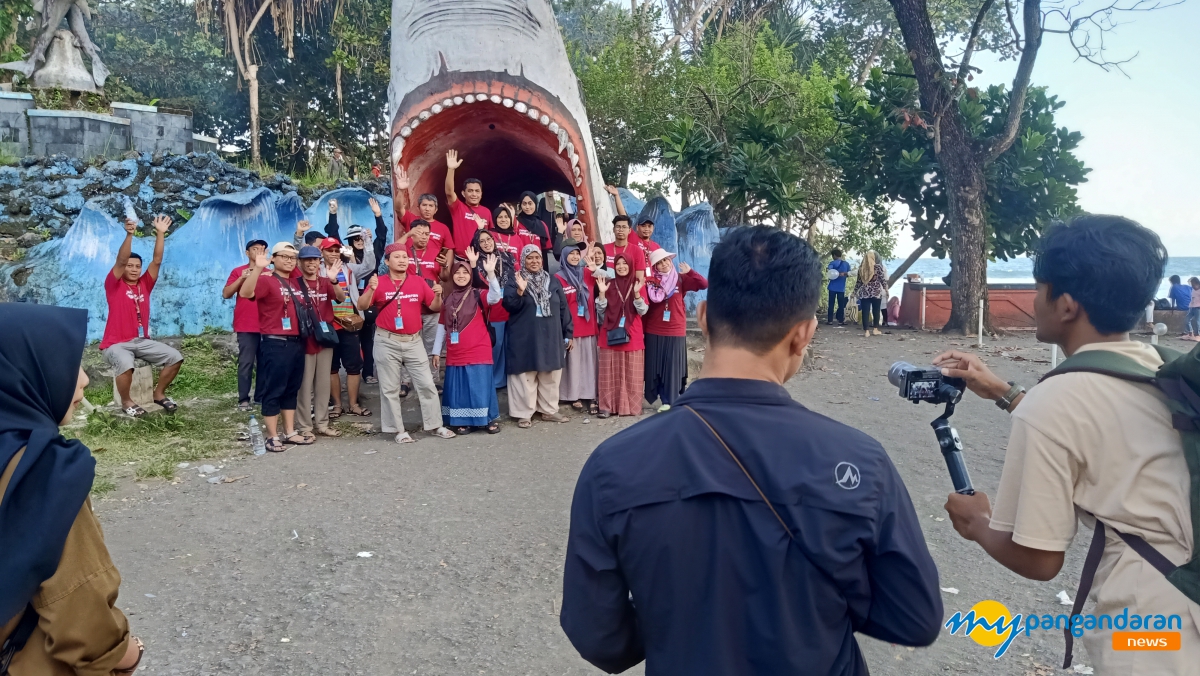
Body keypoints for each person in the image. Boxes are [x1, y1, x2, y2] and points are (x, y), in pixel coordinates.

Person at [560, 225, 943, 675]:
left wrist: (673, 622)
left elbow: (598, 636)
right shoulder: (859, 462)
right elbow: (916, 618)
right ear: (804, 334)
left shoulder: (614, 465)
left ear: (703, 318)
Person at [937, 215, 1200, 674]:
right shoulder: (1162, 366)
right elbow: (1105, 426)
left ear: (1065, 306)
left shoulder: (1055, 402)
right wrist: (1005, 392)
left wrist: (978, 522)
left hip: (1149, 626)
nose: (1036, 300)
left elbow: (1041, 560)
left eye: (1040, 288)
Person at [1, 304, 147, 675]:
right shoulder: (43, 469)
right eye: (67, 363)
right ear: (25, 372)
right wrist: (122, 653)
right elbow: (78, 604)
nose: (82, 380)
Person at [358, 243, 456, 442]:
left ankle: (435, 425)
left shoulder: (418, 282)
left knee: (427, 383)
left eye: (405, 256)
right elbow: (362, 305)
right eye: (397, 257)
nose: (402, 260)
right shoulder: (379, 281)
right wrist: (371, 290)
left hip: (414, 341)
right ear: (387, 261)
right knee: (389, 388)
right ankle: (398, 430)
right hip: (386, 340)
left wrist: (438, 294)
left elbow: (434, 307)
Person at [100, 214, 184, 417]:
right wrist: (130, 234)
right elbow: (120, 261)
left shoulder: (145, 284)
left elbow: (157, 260)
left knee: (175, 357)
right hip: (116, 343)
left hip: (141, 341)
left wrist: (160, 234)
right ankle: (127, 402)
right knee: (126, 364)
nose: (134, 269)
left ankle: (159, 394)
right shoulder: (114, 285)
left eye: (137, 266)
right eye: (130, 266)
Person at [239, 242, 309, 452]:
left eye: (292, 257)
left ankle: (290, 432)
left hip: (297, 342)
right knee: (274, 389)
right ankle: (271, 435)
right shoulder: (266, 280)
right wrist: (259, 267)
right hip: (275, 342)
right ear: (274, 258)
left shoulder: (296, 283)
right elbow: (245, 292)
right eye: (284, 256)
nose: (289, 260)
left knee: (291, 389)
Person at [503, 244, 573, 428]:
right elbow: (509, 305)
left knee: (550, 374)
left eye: (537, 258)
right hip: (524, 336)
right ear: (523, 260)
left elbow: (563, 308)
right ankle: (524, 413)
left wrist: (569, 332)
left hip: (551, 334)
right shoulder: (515, 279)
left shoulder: (552, 280)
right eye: (529, 258)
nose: (534, 261)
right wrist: (520, 291)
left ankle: (549, 410)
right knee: (525, 374)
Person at [433, 258, 503, 434]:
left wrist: (491, 274)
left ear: (470, 275)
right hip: (455, 351)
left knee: (480, 385)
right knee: (460, 388)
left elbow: (495, 296)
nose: (461, 275)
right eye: (457, 272)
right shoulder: (447, 299)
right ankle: (463, 421)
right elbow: (442, 326)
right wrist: (435, 352)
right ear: (452, 276)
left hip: (479, 349)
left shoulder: (478, 294)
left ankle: (486, 420)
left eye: (465, 272)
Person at [313, 235, 374, 420]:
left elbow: (369, 266)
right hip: (328, 325)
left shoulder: (349, 269)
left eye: (335, 250)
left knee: (354, 366)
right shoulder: (316, 270)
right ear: (321, 252)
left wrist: (368, 242)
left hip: (349, 324)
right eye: (328, 250)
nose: (332, 254)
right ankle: (337, 405)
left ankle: (353, 404)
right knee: (331, 367)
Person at [644, 249, 708, 412]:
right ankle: (664, 399)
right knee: (656, 367)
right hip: (654, 329)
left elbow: (703, 284)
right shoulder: (650, 282)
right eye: (660, 262)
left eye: (666, 260)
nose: (664, 264)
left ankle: (672, 399)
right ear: (655, 266)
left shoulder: (680, 279)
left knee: (672, 367)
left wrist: (690, 272)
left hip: (675, 329)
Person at [294, 245, 346, 441]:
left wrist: (334, 280)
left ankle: (322, 423)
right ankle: (305, 426)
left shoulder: (326, 282)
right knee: (305, 385)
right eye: (307, 260)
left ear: (319, 262)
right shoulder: (294, 283)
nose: (311, 263)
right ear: (300, 262)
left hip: (324, 338)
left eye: (315, 260)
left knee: (323, 383)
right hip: (304, 338)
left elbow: (341, 298)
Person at [594, 254, 649, 418]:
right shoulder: (608, 284)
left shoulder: (638, 284)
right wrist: (602, 294)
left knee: (632, 371)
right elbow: (601, 311)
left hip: (632, 331)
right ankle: (606, 406)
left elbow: (643, 310)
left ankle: (631, 407)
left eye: (625, 263)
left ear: (631, 265)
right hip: (610, 331)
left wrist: (637, 294)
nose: (621, 266)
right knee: (608, 371)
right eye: (618, 264)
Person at [223, 238, 268, 411]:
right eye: (255, 249)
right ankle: (243, 399)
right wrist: (241, 278)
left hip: (266, 324)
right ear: (247, 252)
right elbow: (226, 294)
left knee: (265, 362)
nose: (259, 252)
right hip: (246, 325)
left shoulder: (270, 272)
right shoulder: (238, 271)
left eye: (262, 249)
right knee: (246, 363)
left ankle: (260, 397)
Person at [557, 239, 600, 415]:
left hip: (589, 326)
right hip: (572, 327)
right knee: (573, 364)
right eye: (571, 254)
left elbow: (609, 279)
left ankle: (589, 394)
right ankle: (573, 395)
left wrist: (595, 268)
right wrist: (565, 331)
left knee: (589, 363)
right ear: (565, 256)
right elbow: (559, 306)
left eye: (577, 254)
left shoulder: (588, 273)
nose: (575, 257)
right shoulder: (558, 277)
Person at [469, 228, 516, 389]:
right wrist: (474, 264)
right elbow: (476, 284)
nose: (486, 243)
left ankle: (507, 379)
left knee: (510, 345)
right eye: (482, 241)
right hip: (491, 309)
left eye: (488, 239)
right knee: (496, 346)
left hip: (510, 306)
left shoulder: (507, 256)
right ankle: (495, 382)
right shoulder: (476, 262)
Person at [345, 214, 388, 385]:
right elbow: (331, 238)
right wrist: (333, 214)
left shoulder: (373, 252)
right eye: (354, 238)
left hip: (371, 299)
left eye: (361, 236)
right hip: (352, 301)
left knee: (368, 340)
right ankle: (353, 371)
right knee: (353, 340)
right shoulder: (345, 255)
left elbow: (383, 234)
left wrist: (378, 216)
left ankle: (368, 373)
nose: (358, 240)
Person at [395, 168, 455, 255]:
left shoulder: (443, 228)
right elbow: (398, 209)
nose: (427, 209)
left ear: (436, 209)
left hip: (432, 266)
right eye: (424, 205)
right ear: (418, 208)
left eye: (431, 206)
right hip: (411, 264)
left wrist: (447, 268)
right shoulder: (411, 219)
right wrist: (401, 190)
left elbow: (449, 250)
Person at [444, 150, 492, 255]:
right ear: (463, 193)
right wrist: (451, 169)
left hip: (480, 258)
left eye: (477, 191)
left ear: (481, 193)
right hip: (461, 259)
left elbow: (490, 236)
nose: (474, 194)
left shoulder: (487, 212)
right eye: (470, 191)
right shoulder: (458, 207)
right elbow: (449, 192)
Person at [852, 250, 887, 337]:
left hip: (864, 293)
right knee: (876, 311)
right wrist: (886, 289)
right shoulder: (878, 267)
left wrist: (854, 292)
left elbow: (858, 282)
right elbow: (882, 280)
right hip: (876, 293)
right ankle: (875, 329)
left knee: (865, 312)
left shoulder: (861, 268)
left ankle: (866, 331)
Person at [604, 215, 647, 283]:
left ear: (629, 230)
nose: (621, 230)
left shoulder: (637, 251)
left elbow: (639, 278)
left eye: (624, 227)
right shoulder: (604, 249)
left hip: (630, 290)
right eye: (618, 227)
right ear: (613, 229)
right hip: (608, 290)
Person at [516, 191, 558, 259]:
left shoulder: (542, 225)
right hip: (520, 264)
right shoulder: (516, 222)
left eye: (530, 203)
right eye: (524, 204)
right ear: (520, 205)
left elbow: (544, 251)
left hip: (537, 264)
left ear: (535, 204)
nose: (527, 207)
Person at [826, 248, 851, 325]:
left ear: (834, 255)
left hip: (832, 287)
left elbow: (828, 270)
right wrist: (842, 274)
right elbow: (849, 274)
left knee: (831, 304)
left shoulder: (832, 263)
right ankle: (841, 320)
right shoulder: (846, 264)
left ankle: (830, 320)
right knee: (841, 305)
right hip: (841, 288)